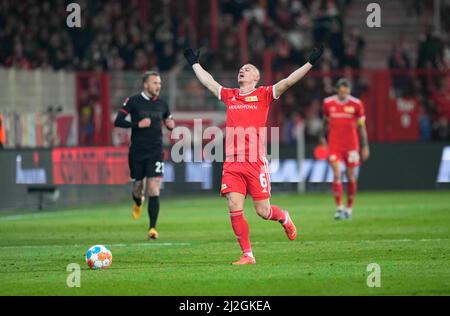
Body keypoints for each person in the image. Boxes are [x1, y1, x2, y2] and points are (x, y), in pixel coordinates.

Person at [183, 45, 324, 265]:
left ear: (256, 77)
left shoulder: (264, 94)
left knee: (263, 211)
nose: (243, 70)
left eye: (248, 69)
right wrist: (194, 63)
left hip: (255, 163)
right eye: (241, 69)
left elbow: (288, 81)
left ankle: (284, 217)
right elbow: (209, 82)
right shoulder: (230, 96)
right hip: (232, 163)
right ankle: (248, 254)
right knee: (233, 206)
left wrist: (310, 63)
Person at [114, 71, 175, 240]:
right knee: (138, 187)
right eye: (155, 83)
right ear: (146, 85)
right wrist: (137, 124)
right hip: (137, 152)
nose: (158, 86)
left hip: (156, 151)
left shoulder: (163, 104)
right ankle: (138, 202)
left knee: (154, 188)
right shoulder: (133, 101)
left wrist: (171, 125)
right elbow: (118, 120)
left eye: (160, 83)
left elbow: (169, 120)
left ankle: (152, 228)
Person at [319, 78, 370, 220]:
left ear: (349, 91)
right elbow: (325, 121)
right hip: (334, 145)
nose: (344, 95)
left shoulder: (357, 104)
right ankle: (339, 208)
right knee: (336, 174)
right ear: (337, 90)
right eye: (341, 92)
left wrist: (365, 146)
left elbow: (361, 126)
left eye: (346, 92)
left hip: (352, 146)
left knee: (351, 176)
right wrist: (322, 136)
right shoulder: (328, 103)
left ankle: (349, 208)